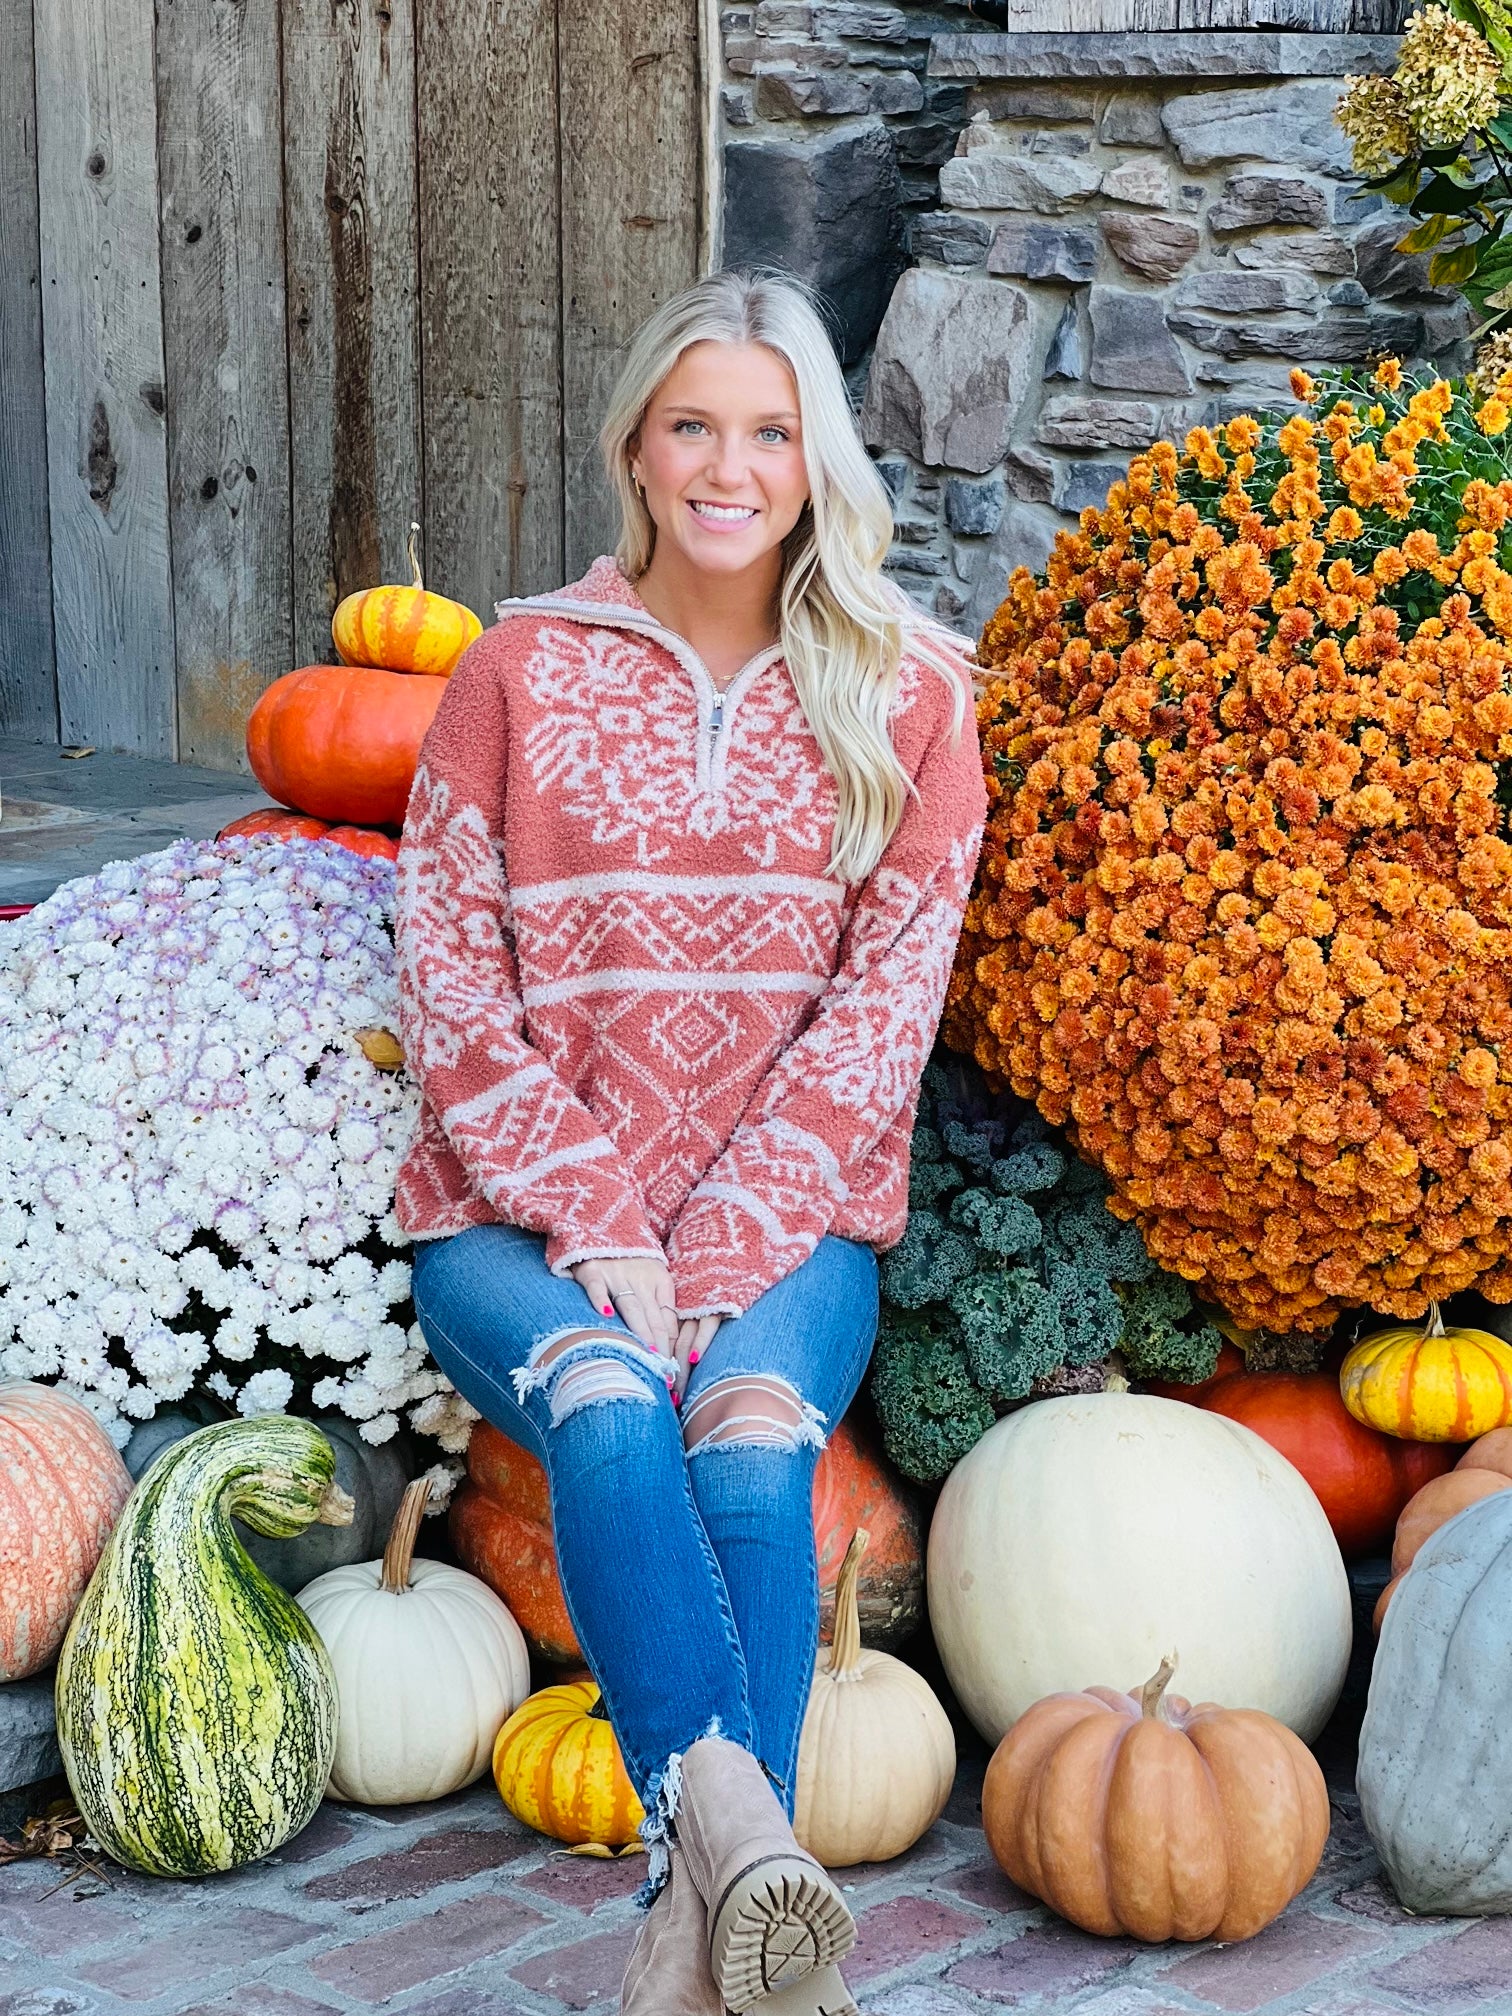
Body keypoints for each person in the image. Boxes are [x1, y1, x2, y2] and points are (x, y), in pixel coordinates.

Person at [395, 268, 986, 2016]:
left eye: (772, 433)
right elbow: (450, 988)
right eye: (695, 428)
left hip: (790, 1228)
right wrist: (596, 1215)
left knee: (742, 1448)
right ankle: (739, 1836)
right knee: (602, 1394)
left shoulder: (912, 698)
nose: (732, 469)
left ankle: (692, 1917)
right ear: (637, 453)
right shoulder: (513, 675)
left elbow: (883, 1022)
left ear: (816, 462)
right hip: (511, 1224)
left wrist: (721, 1244)